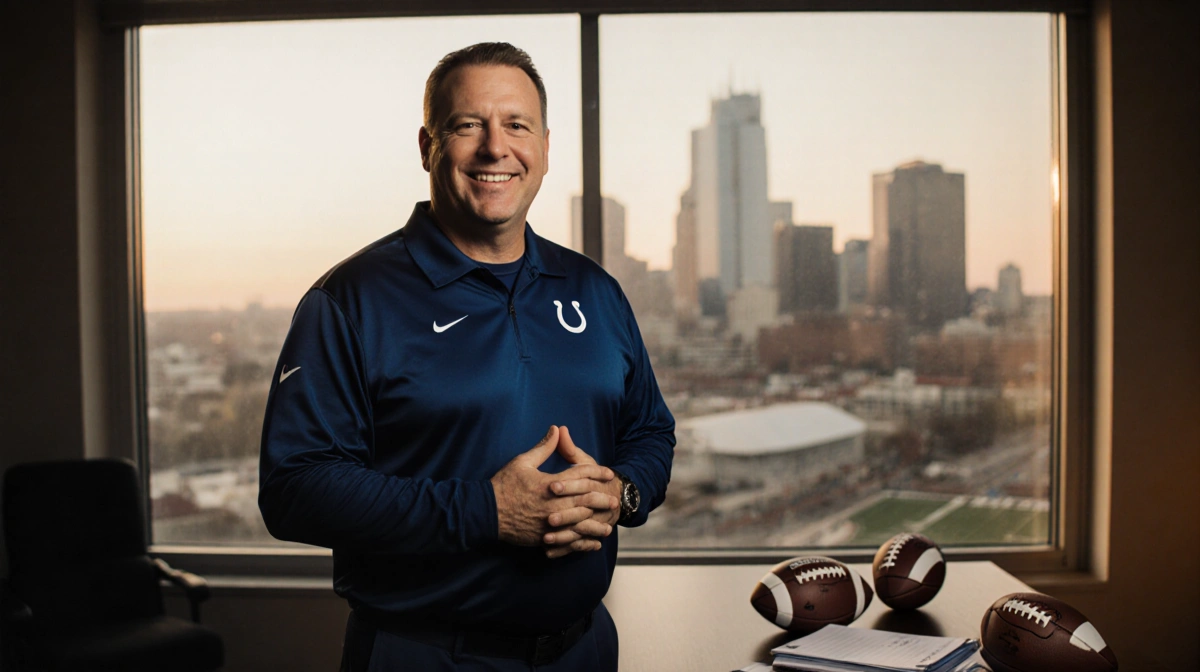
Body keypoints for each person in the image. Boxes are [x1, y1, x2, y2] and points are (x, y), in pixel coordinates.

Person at [258, 42, 675, 671]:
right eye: (467, 125)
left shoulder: (596, 290)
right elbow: (294, 489)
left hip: (584, 649)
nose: (494, 148)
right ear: (428, 147)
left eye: (516, 125)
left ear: (544, 147)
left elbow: (650, 431)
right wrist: (487, 511)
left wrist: (623, 493)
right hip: (424, 653)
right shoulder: (350, 300)